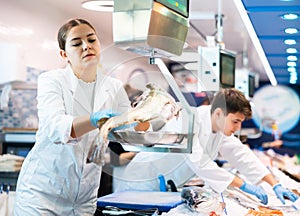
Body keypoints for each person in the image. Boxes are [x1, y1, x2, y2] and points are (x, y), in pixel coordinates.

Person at [14, 18, 147, 215]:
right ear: (64, 54)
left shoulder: (113, 87)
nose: (86, 46)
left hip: (83, 199)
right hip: (42, 196)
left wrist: (146, 116)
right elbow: (56, 127)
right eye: (77, 43)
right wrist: (95, 120)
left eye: (92, 40)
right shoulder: (52, 81)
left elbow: (128, 132)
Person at [186, 88, 298, 205]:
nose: (238, 127)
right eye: (235, 121)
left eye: (240, 122)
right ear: (218, 113)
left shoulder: (221, 126)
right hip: (173, 183)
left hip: (192, 183)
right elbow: (199, 162)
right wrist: (242, 185)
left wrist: (275, 185)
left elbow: (241, 154)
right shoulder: (192, 120)